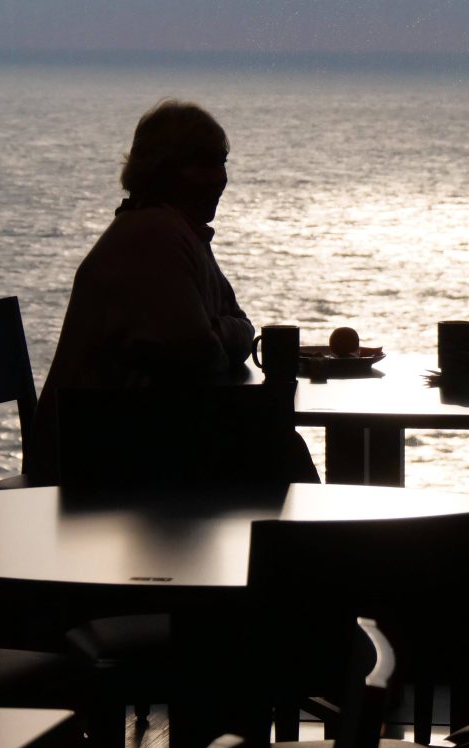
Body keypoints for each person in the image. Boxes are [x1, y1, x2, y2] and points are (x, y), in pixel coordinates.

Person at [26, 99, 317, 485]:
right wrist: (226, 332)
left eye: (222, 162)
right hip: (96, 462)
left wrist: (224, 331)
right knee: (277, 450)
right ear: (161, 171)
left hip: (120, 443)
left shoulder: (175, 232)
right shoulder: (154, 236)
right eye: (203, 164)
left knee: (276, 447)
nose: (219, 178)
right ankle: (322, 545)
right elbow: (202, 352)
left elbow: (233, 328)